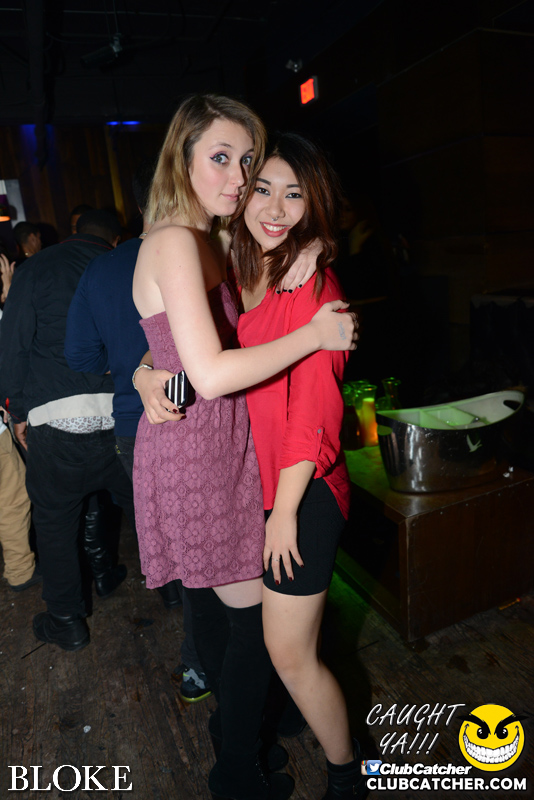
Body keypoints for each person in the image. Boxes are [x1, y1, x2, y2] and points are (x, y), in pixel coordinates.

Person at [131, 94, 357, 800]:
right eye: (229, 164)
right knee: (242, 630)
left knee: (257, 635)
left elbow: (311, 412)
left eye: (248, 164)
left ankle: (279, 758)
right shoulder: (207, 249)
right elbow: (191, 354)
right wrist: (143, 373)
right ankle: (239, 758)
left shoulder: (258, 260)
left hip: (274, 475)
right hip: (220, 467)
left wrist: (316, 245)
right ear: (185, 160)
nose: (246, 185)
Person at [64, 161, 211, 703]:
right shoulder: (206, 254)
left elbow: (80, 354)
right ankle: (201, 658)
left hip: (135, 425)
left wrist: (130, 367)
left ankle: (191, 631)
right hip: (206, 416)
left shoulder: (103, 270)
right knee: (204, 548)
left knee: (178, 540)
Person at [0, 210, 134, 652]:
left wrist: (18, 411)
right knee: (146, 508)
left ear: (74, 231)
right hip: (121, 414)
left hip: (56, 418)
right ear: (115, 239)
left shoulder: (35, 268)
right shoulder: (124, 264)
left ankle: (66, 620)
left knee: (55, 523)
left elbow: (14, 346)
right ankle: (175, 590)